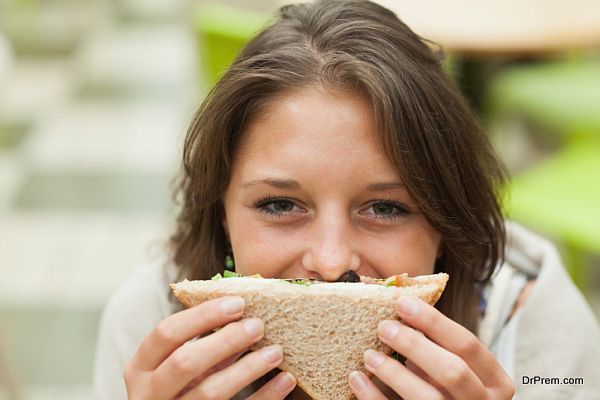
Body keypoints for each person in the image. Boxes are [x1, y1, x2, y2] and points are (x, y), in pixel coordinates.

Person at [93, 1, 600, 399]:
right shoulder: (150, 328)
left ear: (448, 221)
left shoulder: (537, 328)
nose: (332, 263)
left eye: (386, 208)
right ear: (220, 214)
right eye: (278, 205)